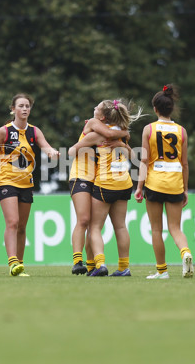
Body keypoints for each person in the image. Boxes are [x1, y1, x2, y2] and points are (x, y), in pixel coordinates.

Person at [0, 93, 59, 276]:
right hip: (6, 181)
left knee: (22, 227)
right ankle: (12, 263)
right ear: (13, 109)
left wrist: (52, 153)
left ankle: (20, 265)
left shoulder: (34, 131)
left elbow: (46, 146)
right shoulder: (4, 131)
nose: (25, 109)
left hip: (26, 182)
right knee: (12, 222)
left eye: (27, 106)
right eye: (21, 106)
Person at [69, 99, 140, 277]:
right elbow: (135, 157)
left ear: (102, 116)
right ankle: (124, 268)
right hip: (124, 183)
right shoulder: (121, 135)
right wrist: (124, 138)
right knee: (121, 227)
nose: (93, 108)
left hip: (105, 183)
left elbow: (71, 151)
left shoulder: (96, 129)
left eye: (97, 108)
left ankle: (99, 264)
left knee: (93, 227)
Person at [134, 85, 193, 279]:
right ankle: (185, 252)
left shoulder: (148, 129)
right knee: (175, 228)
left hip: (154, 183)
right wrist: (185, 189)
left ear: (155, 109)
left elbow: (144, 160)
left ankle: (162, 271)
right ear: (171, 108)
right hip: (175, 182)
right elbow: (184, 163)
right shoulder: (181, 131)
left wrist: (139, 187)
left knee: (156, 229)